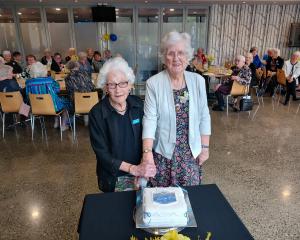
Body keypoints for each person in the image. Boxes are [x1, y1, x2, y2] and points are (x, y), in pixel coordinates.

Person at [142, 31, 211, 187]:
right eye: (171, 53)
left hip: (190, 153)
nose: (176, 58)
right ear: (164, 58)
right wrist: (147, 153)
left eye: (181, 53)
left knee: (188, 199)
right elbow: (150, 119)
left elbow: (204, 116)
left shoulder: (198, 81)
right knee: (162, 200)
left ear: (187, 56)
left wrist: (205, 147)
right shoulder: (153, 83)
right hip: (163, 154)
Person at [89, 57, 156, 192]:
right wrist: (132, 169)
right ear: (106, 87)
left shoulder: (138, 105)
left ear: (130, 85)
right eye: (112, 84)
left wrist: (144, 165)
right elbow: (102, 154)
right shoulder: (97, 113)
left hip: (140, 172)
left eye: (123, 83)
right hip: (113, 175)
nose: (118, 90)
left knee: (140, 207)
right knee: (118, 209)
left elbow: (149, 136)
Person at [26, 62, 70, 131]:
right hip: (52, 107)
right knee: (66, 102)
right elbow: (57, 90)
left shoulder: (28, 82)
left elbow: (27, 95)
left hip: (35, 107)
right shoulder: (50, 80)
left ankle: (56, 121)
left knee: (56, 100)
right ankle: (63, 125)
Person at [65, 60, 95, 125]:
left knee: (67, 101)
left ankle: (70, 123)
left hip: (76, 104)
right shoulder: (85, 74)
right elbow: (92, 87)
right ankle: (87, 121)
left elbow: (69, 91)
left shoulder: (67, 78)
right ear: (78, 66)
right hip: (90, 103)